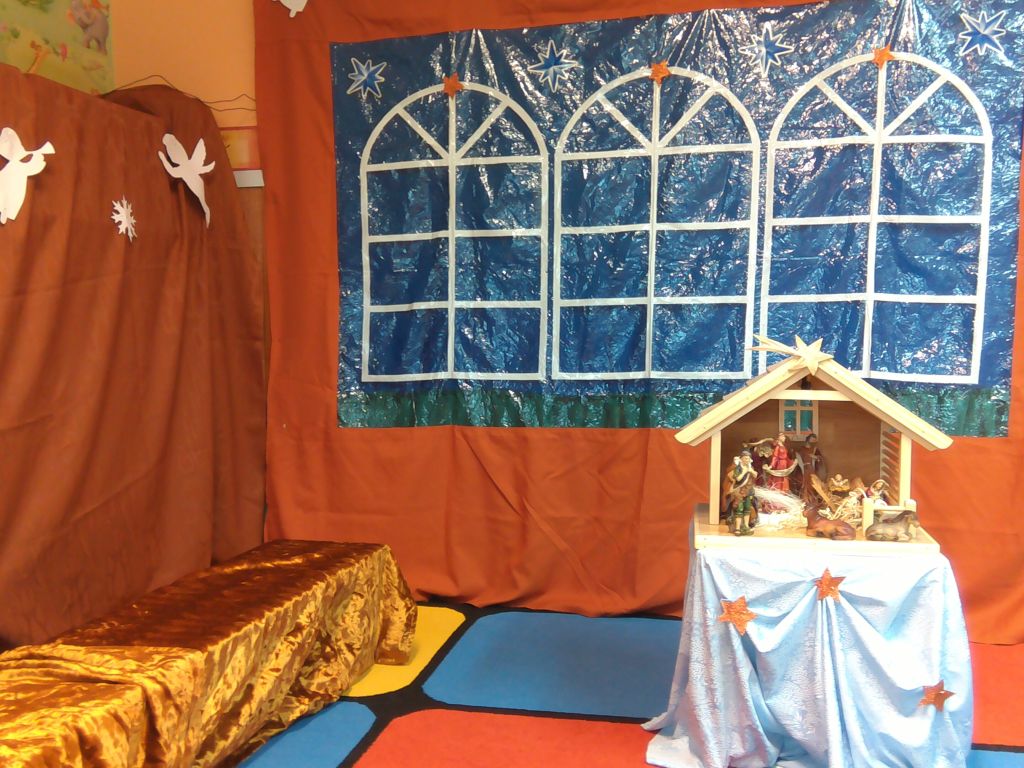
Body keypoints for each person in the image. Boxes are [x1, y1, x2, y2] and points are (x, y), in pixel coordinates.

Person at [723, 451, 758, 536]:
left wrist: (751, 471)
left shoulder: (750, 467)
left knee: (747, 509)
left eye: (748, 459)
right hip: (739, 492)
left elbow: (755, 475)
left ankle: (746, 526)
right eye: (745, 458)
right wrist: (745, 472)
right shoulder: (738, 468)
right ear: (741, 459)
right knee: (739, 509)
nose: (747, 460)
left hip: (748, 491)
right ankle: (738, 528)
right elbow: (738, 478)